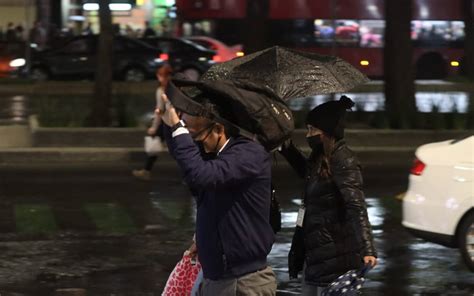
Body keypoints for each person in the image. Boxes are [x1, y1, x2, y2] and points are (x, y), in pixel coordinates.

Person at [158, 81, 277, 296]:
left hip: (243, 282)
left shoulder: (248, 154)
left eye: (197, 137)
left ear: (219, 128)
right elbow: (187, 163)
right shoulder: (217, 154)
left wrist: (178, 128)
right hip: (219, 276)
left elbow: (200, 175)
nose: (197, 145)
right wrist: (169, 124)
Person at [279, 96, 377, 296]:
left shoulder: (343, 160)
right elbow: (307, 173)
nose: (308, 135)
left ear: (326, 132)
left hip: (336, 260)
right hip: (315, 256)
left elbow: (356, 206)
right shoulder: (320, 158)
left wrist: (367, 248)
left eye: (312, 130)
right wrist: (286, 148)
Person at [132, 65, 172, 180]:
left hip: (166, 123)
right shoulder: (176, 88)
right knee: (177, 149)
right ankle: (146, 170)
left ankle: (146, 171)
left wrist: (154, 127)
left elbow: (159, 110)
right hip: (176, 122)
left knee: (155, 145)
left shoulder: (161, 90)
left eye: (160, 76)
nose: (159, 78)